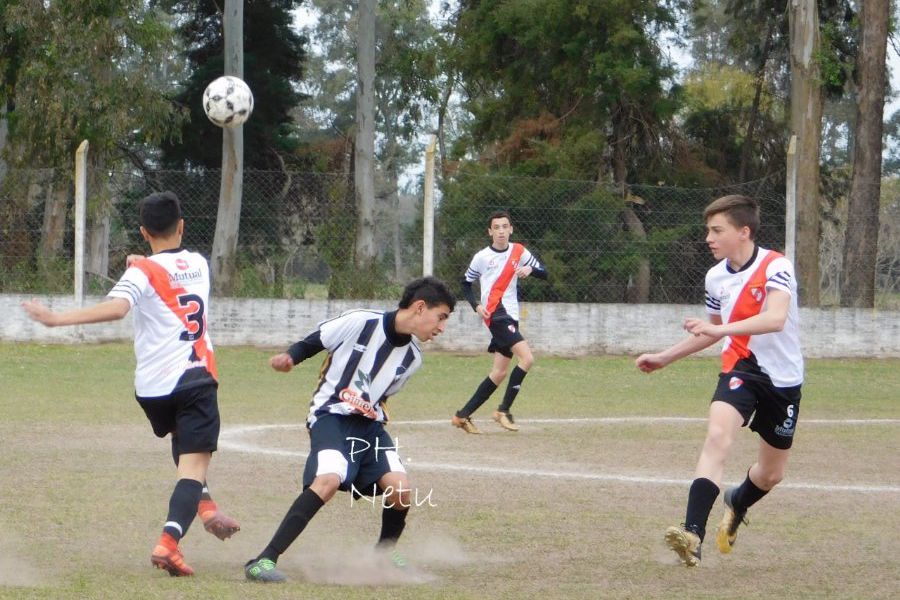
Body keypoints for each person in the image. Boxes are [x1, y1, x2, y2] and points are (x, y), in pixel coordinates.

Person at [22, 191, 239, 577]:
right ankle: (169, 543)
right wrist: (142, 266)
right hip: (195, 379)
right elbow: (167, 275)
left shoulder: (140, 272)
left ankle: (205, 509)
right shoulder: (200, 264)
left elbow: (120, 306)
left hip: (152, 390)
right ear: (182, 226)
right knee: (192, 466)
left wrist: (57, 319)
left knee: (181, 438)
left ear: (142, 232)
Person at [243, 277, 455, 583]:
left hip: (369, 426)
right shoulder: (360, 322)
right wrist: (290, 357)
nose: (441, 327)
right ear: (420, 307)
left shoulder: (413, 358)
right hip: (331, 416)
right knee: (328, 480)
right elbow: (314, 341)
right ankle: (263, 560)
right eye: (442, 317)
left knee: (400, 489)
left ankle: (383, 556)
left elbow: (381, 395)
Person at [635, 194, 803, 567]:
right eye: (708, 230)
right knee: (717, 436)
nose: (708, 238)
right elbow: (711, 334)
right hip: (740, 368)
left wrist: (723, 329)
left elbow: (774, 318)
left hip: (784, 380)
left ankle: (737, 501)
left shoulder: (777, 266)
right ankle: (692, 533)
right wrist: (665, 357)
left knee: (771, 473)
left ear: (743, 232)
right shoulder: (715, 277)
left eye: (716, 230)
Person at [451, 210, 547, 434]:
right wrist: (476, 305)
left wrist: (530, 269)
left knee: (499, 372)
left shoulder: (519, 251)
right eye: (497, 227)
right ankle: (503, 410)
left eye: (505, 226)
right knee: (527, 358)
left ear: (511, 229)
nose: (501, 231)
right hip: (495, 314)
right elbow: (465, 283)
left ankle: (461, 415)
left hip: (511, 314)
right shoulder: (482, 257)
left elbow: (545, 272)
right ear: (490, 231)